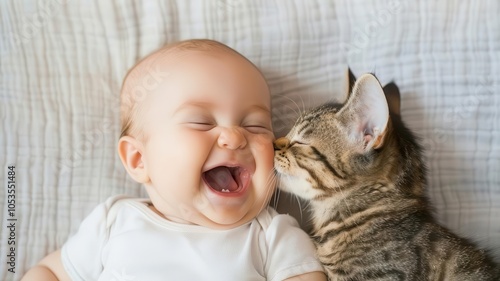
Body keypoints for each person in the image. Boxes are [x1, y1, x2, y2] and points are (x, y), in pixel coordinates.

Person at [21, 39, 326, 281]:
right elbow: (51, 273)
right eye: (201, 122)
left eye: (255, 125)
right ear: (139, 160)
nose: (234, 137)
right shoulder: (114, 223)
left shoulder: (272, 235)